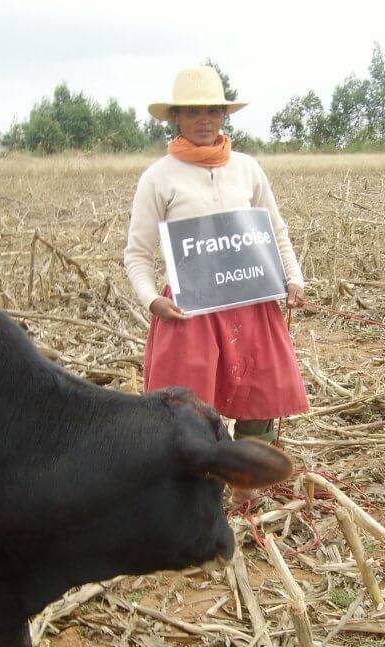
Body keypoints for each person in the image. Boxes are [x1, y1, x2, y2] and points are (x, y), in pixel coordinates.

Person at [124, 66, 309, 505]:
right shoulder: (158, 177)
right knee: (189, 407)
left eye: (212, 110)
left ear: (224, 116)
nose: (204, 119)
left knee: (259, 397)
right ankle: (196, 499)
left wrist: (294, 278)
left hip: (251, 301)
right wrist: (152, 300)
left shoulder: (247, 169)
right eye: (193, 112)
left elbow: (275, 230)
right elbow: (137, 254)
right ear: (176, 118)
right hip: (190, 309)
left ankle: (249, 490)